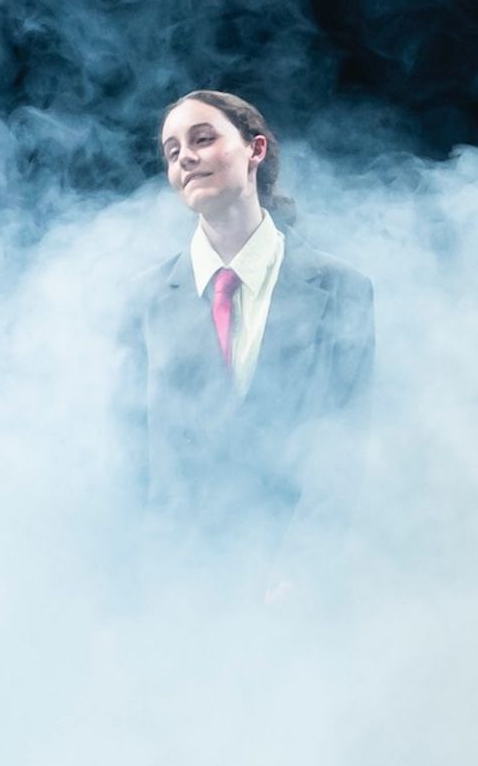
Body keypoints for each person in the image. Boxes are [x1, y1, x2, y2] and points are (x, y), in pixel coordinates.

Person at [120, 90, 373, 534]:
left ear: (256, 149)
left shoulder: (341, 289)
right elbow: (127, 451)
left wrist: (302, 571)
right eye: (172, 151)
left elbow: (343, 448)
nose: (185, 159)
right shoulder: (144, 299)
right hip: (169, 574)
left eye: (202, 139)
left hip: (292, 569)